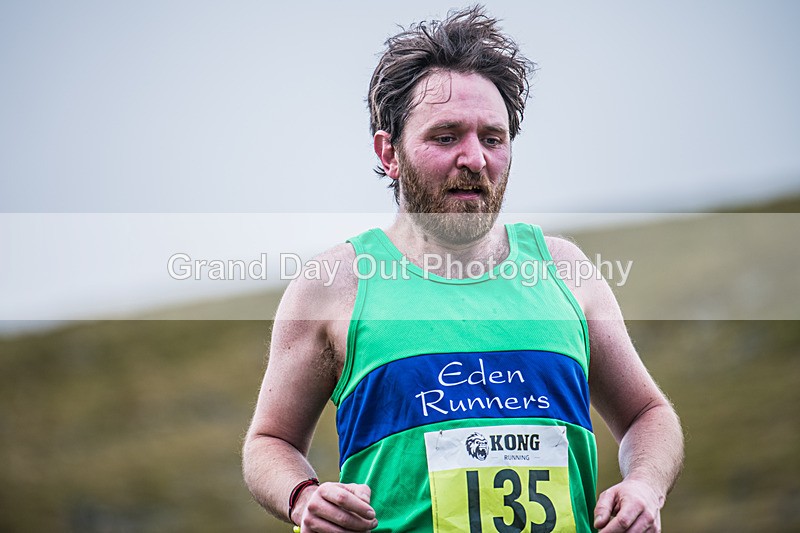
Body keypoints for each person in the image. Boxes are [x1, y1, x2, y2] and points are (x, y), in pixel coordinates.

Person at [242, 6, 683, 532]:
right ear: (390, 153)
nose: (474, 158)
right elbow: (270, 442)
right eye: (446, 136)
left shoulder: (566, 272)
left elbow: (648, 416)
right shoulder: (335, 285)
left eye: (492, 139)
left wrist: (644, 486)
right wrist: (303, 497)